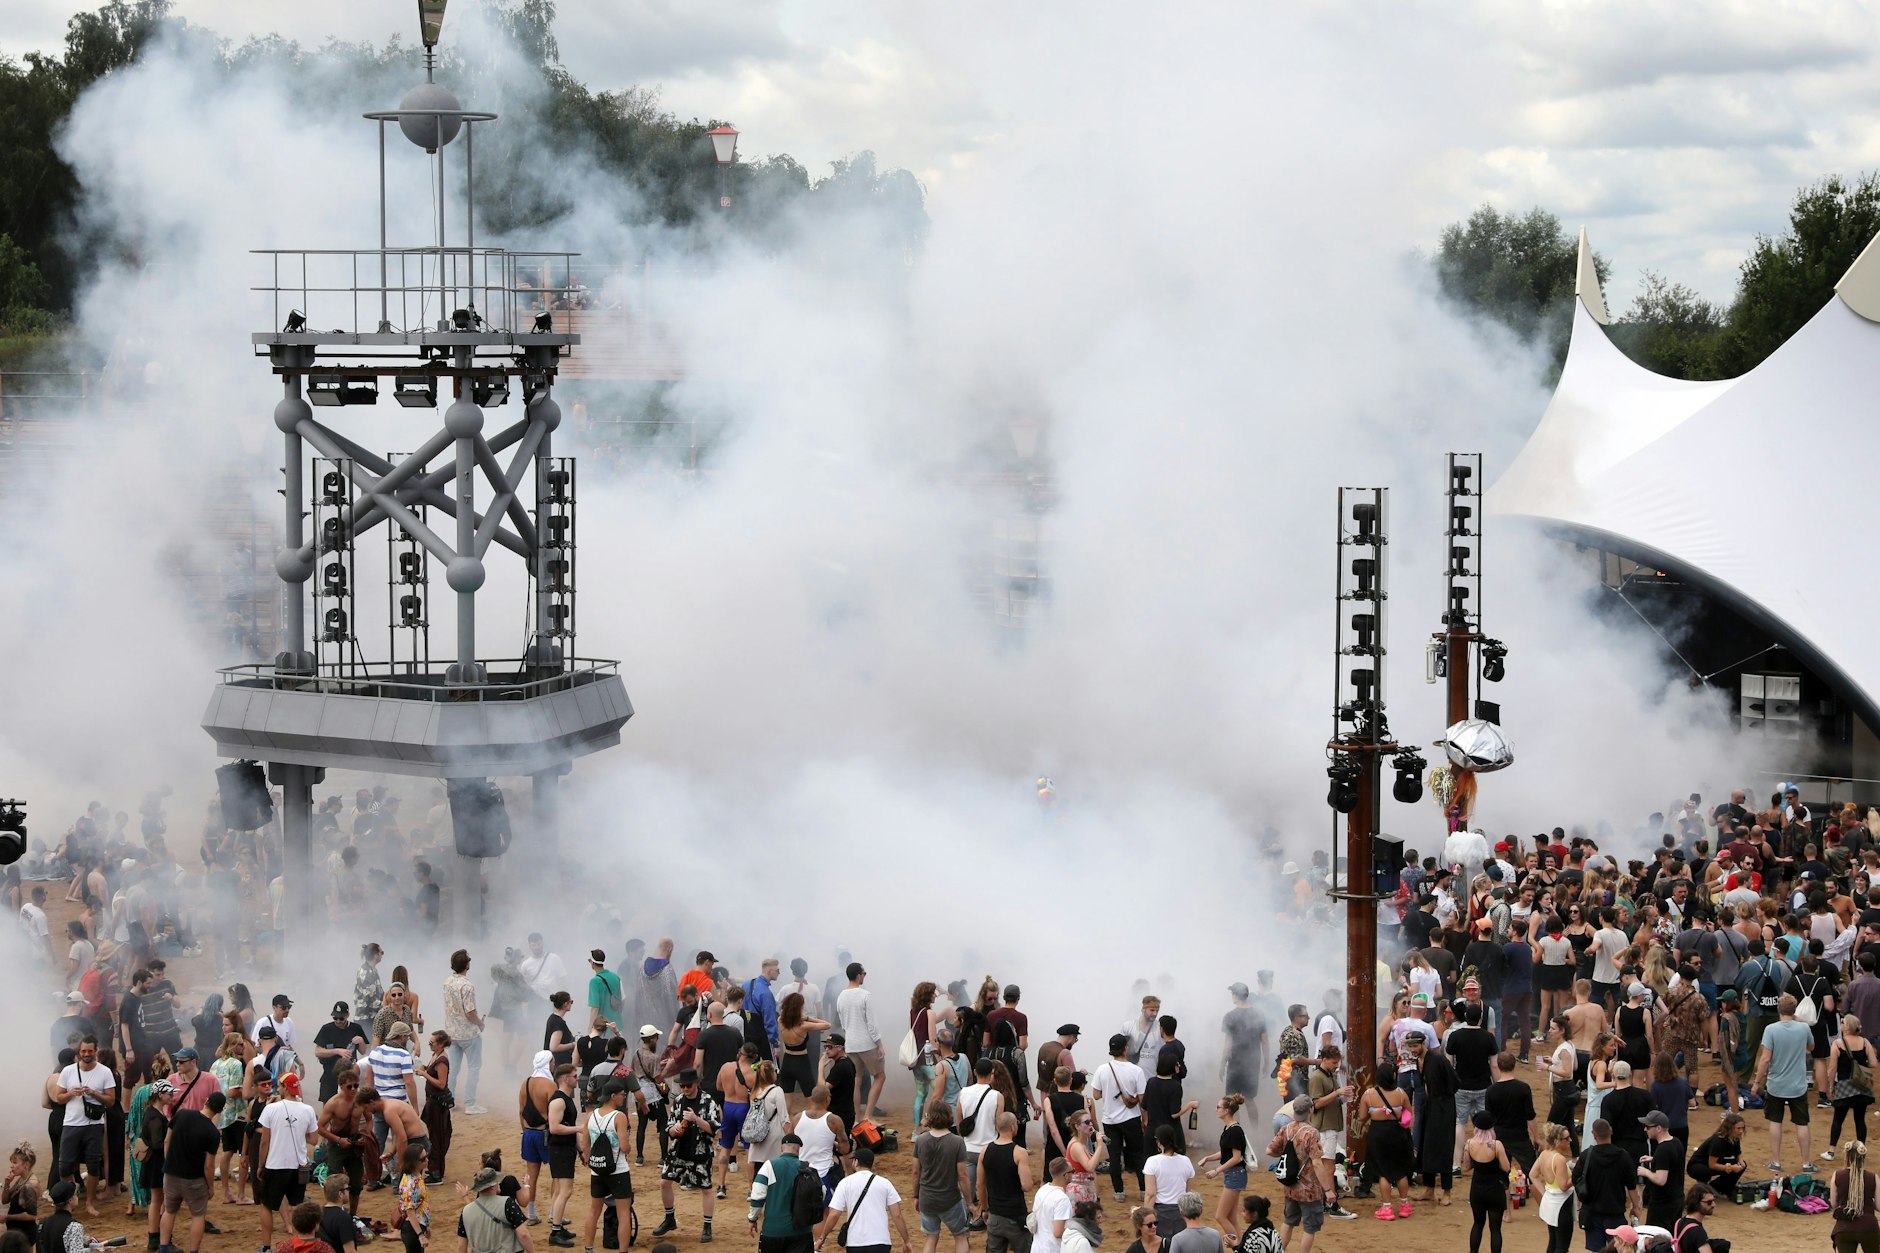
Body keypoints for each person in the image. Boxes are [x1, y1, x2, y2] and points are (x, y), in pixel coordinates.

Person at [652, 1069, 719, 1242]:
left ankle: (707, 1226)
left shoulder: (708, 1101)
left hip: (700, 1151)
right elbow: (669, 1125)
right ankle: (669, 1219)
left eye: (688, 1085)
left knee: (706, 1188)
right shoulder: (679, 1100)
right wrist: (674, 1130)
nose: (685, 1089)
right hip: (679, 1149)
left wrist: (696, 1119)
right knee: (664, 1182)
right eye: (682, 1085)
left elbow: (714, 1128)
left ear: (697, 1083)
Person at [1752, 993, 1815, 1171]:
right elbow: (1811, 1047)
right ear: (1794, 1010)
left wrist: (1757, 1082)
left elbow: (1765, 1059)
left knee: (1775, 1121)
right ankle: (1806, 1162)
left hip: (1776, 1084)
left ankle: (1776, 1161)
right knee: (1802, 1123)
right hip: (1798, 1085)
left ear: (1778, 1009)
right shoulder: (1803, 1029)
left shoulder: (1771, 1029)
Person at [257, 1073, 319, 1253]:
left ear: (284, 1088)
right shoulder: (307, 1110)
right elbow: (314, 1140)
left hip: (276, 1164)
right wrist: (299, 1132)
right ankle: (302, 1244)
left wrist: (261, 1165)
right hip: (299, 1166)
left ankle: (266, 1247)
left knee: (267, 1205)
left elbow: (264, 1141)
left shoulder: (271, 1109)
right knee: (297, 1205)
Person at [53, 1035, 116, 1213]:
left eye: (90, 1051)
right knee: (65, 1165)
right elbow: (59, 1097)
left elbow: (110, 1101)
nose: (86, 1054)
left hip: (94, 1124)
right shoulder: (68, 1071)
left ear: (95, 1051)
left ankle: (89, 1203)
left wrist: (93, 1093)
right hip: (71, 1123)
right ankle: (69, 1200)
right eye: (83, 1051)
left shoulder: (104, 1072)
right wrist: (72, 1093)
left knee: (93, 1164)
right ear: (78, 1052)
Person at [160, 1088, 223, 1253]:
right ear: (220, 1111)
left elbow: (167, 1141)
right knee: (198, 1215)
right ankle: (194, 1250)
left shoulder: (182, 1115)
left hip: (171, 1174)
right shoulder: (213, 1133)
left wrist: (169, 1163)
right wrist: (210, 1187)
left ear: (206, 1101)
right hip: (193, 1179)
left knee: (169, 1210)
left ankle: (164, 1246)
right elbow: (209, 1166)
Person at [815, 1146, 907, 1253]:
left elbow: (834, 1214)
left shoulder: (845, 1183)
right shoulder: (884, 1183)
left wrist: (822, 1238)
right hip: (881, 1241)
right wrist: (906, 1240)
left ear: (856, 1162)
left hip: (855, 1242)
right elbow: (897, 1215)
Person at [576, 1081, 633, 1253]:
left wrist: (592, 1161)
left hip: (597, 1169)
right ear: (613, 1096)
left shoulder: (590, 1116)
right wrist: (628, 1148)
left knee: (594, 1210)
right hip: (618, 1169)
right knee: (623, 1214)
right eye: (622, 1094)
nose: (624, 1097)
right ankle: (623, 1251)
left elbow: (585, 1144)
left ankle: (588, 1248)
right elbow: (624, 1147)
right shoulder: (619, 1117)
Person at [1091, 1033, 1146, 1204]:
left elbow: (1096, 1095)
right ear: (1125, 1048)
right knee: (1138, 1155)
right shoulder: (1136, 1071)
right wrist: (1145, 1120)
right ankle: (1143, 1190)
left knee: (1114, 1156)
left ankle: (1119, 1192)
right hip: (1131, 1119)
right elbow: (1143, 1099)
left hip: (1109, 1121)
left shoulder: (1102, 1069)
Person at [1354, 1065, 1413, 1220]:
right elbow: (1409, 1113)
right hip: (1397, 1133)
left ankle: (1387, 1207)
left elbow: (1361, 1117)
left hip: (1378, 1133)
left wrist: (1375, 1112)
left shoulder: (1368, 1094)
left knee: (1383, 1172)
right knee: (1400, 1170)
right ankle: (1405, 1205)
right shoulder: (1401, 1093)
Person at [1266, 1097, 1323, 1253]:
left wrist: (1285, 1154)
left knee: (1289, 1221)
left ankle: (1278, 1251)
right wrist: (1329, 1190)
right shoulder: (1312, 1132)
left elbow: (1269, 1150)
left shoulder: (1287, 1128)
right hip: (1309, 1188)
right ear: (1310, 1110)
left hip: (1291, 1186)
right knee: (1310, 1228)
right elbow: (1317, 1162)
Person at [912, 1104, 970, 1253]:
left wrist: (916, 1196)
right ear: (949, 1117)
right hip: (950, 1198)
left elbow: (915, 1172)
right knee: (960, 1236)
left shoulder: (921, 1140)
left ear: (929, 1117)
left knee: (931, 1237)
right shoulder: (957, 1142)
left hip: (927, 1197)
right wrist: (970, 1202)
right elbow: (962, 1175)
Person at [1571, 1119, 1633, 1253]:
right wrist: (1636, 1206)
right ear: (1611, 1132)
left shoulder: (1587, 1155)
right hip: (1615, 1213)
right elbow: (1632, 1185)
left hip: (1592, 1213)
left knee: (1596, 1250)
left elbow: (1575, 1178)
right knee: (1619, 1249)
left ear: (1594, 1135)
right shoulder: (1623, 1156)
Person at [834, 964, 884, 1127]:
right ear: (858, 976)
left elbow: (842, 1022)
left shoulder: (841, 996)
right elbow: (871, 1024)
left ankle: (856, 1118)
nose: (864, 976)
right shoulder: (865, 995)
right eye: (864, 973)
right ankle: (868, 1116)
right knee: (879, 1076)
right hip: (867, 1043)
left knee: (857, 1079)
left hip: (851, 1043)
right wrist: (879, 1043)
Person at [747, 1132, 813, 1253]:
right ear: (798, 1150)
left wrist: (752, 1219)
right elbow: (821, 1193)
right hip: (802, 1232)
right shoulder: (809, 1167)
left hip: (773, 1231)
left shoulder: (769, 1166)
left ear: (781, 1148)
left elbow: (757, 1196)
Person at [976, 1112, 1029, 1253]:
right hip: (1015, 1215)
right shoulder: (1019, 1152)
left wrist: (985, 1209)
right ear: (1013, 1127)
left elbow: (980, 1185)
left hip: (995, 1215)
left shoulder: (985, 1151)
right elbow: (1027, 1185)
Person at [442, 951, 487, 1115]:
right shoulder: (467, 985)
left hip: (452, 1033)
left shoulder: (447, 982)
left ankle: (450, 1101)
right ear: (467, 964)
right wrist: (480, 1024)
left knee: (453, 1068)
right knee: (474, 1067)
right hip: (468, 1033)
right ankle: (470, 1103)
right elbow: (470, 1013)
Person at [1197, 1096, 1247, 1239]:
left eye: (1218, 1107)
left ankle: (1238, 1246)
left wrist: (1217, 1171)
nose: (1216, 1109)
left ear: (1226, 1110)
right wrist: (1208, 1158)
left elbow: (1236, 1158)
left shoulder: (1235, 1131)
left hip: (1235, 1174)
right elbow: (1226, 1153)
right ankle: (1242, 1245)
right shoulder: (1229, 1128)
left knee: (1220, 1216)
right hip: (1234, 1174)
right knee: (1231, 1216)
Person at [541, 1064, 579, 1248]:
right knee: (565, 1191)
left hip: (565, 1148)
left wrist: (579, 1149)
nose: (576, 1079)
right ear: (565, 1078)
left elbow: (567, 1125)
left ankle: (558, 1227)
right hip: (560, 1150)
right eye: (574, 1076)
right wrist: (580, 1128)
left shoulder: (566, 1098)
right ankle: (555, 1230)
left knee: (559, 1190)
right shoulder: (558, 1101)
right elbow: (555, 1127)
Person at [456, 1164, 534, 1253]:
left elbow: (461, 1247)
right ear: (493, 1186)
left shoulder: (466, 1211)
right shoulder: (507, 1203)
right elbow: (523, 1234)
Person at [1829, 1012, 1879, 1151]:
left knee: (1838, 1119)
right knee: (1860, 1119)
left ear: (1846, 1028)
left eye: (1843, 1022)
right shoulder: (1864, 1042)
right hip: (1862, 1086)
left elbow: (1832, 1068)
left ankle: (1831, 1150)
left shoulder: (1838, 1044)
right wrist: (1861, 1065)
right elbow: (1874, 1064)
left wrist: (1831, 1086)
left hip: (1844, 1085)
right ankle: (1861, 1149)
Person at [1462, 1110, 1508, 1253]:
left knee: (1477, 1224)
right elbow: (1506, 1167)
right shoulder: (1496, 1145)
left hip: (1477, 1189)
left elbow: (1466, 1167)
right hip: (1495, 1189)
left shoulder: (1469, 1144)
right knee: (1495, 1229)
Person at [1532, 1122, 1575, 1253]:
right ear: (1557, 1141)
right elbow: (1563, 1186)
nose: (1569, 1141)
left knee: (1553, 1242)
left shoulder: (1544, 1154)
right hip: (1562, 1204)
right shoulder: (1559, 1159)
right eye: (1566, 1138)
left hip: (1550, 1202)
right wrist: (1577, 1175)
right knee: (1562, 1246)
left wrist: (1544, 1193)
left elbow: (1533, 1174)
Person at [1143, 1126, 1193, 1238]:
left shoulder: (1152, 1162)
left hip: (1161, 1211)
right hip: (1182, 1211)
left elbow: (1150, 1194)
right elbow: (1188, 1192)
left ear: (1159, 1142)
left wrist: (1146, 1217)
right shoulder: (1186, 1161)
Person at [1638, 1110, 1685, 1230]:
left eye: (1648, 1127)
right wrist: (1654, 1160)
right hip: (1677, 1200)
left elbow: (1660, 1180)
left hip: (1663, 1205)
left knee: (1657, 1241)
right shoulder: (1676, 1142)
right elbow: (1672, 1162)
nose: (1645, 1129)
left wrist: (1645, 1172)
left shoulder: (1663, 1150)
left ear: (1658, 1128)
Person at [315, 1003, 369, 1105]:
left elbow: (363, 1051)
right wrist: (337, 1051)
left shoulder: (356, 1028)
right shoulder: (326, 1029)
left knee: (349, 1104)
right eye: (335, 1018)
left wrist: (361, 1041)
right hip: (329, 1073)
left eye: (341, 1018)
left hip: (349, 1074)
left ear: (347, 1015)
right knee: (328, 1104)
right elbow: (318, 1051)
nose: (338, 1021)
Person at [1832, 1140, 1878, 1253]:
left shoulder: (1837, 1175)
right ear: (1863, 1157)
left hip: (1844, 1227)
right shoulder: (1873, 1177)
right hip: (1868, 1227)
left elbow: (1833, 1204)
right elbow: (1879, 1206)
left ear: (1846, 1156)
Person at [419, 1032, 452, 1185]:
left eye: (432, 1042)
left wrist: (424, 1074)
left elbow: (441, 1084)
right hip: (433, 1103)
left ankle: (435, 1173)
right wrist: (426, 1069)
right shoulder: (436, 1056)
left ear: (440, 1044)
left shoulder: (442, 1060)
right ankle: (436, 1168)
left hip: (437, 1105)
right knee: (435, 1135)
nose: (430, 1044)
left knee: (436, 1137)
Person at [1686, 1113, 1745, 1196]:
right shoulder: (1717, 1141)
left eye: (1742, 1128)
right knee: (1705, 1172)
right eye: (1738, 1128)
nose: (1741, 1131)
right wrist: (1730, 1167)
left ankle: (1717, 1187)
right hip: (1698, 1165)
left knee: (1741, 1166)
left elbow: (1737, 1152)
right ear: (1730, 1128)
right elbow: (1712, 1165)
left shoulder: (1734, 1138)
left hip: (1715, 1162)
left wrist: (1740, 1160)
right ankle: (1703, 1187)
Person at [393, 1144, 429, 1253]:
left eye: (426, 1156)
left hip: (416, 1225)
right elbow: (410, 1212)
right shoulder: (411, 1184)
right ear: (414, 1162)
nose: (426, 1160)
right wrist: (420, 1235)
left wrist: (426, 1226)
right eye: (423, 1159)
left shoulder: (414, 1176)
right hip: (412, 1228)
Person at [4, 1143, 41, 1246]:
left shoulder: (30, 1185)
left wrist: (7, 1217)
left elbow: (33, 1216)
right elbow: (5, 1200)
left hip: (25, 1235)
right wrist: (7, 1184)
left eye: (15, 1162)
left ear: (26, 1164)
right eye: (11, 1162)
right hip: (17, 1232)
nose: (11, 1166)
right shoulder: (21, 1179)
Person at [1030, 1162, 1071, 1253]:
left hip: (1037, 1248)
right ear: (1066, 1175)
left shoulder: (1042, 1190)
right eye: (1073, 1171)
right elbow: (1058, 1232)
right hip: (1053, 1249)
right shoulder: (1062, 1198)